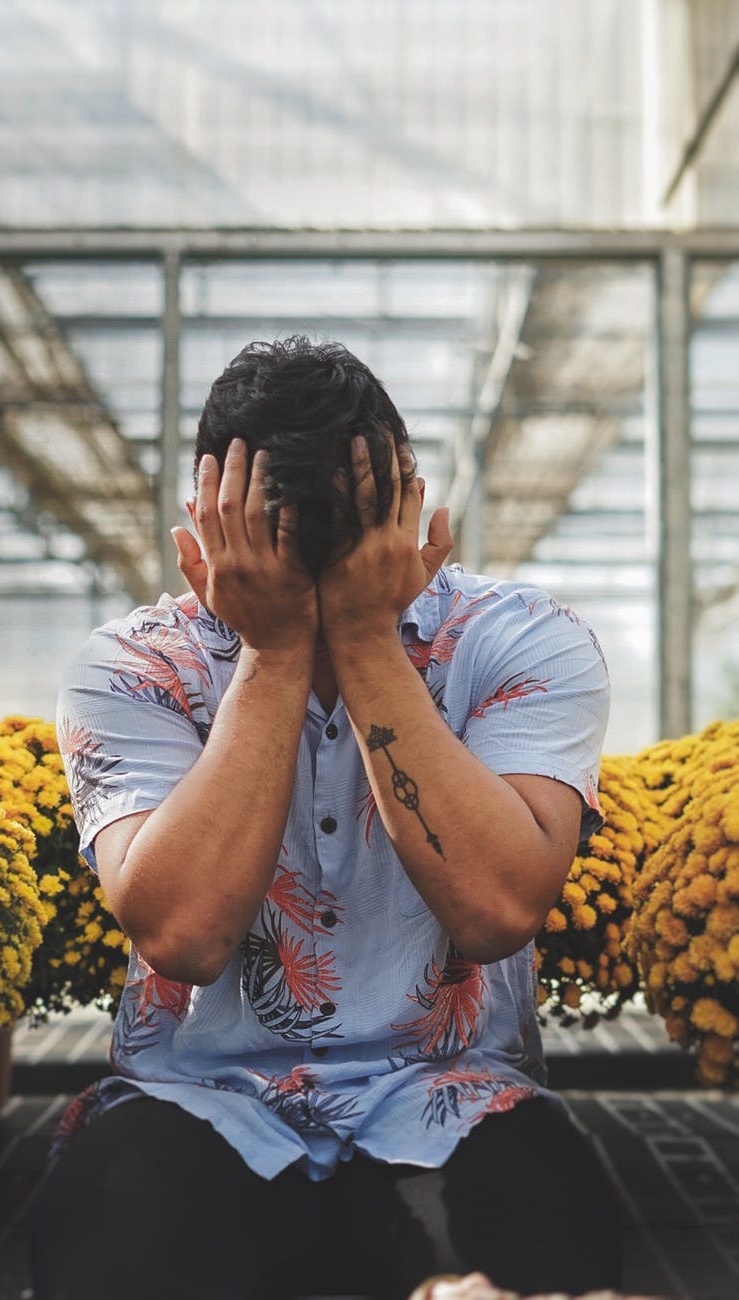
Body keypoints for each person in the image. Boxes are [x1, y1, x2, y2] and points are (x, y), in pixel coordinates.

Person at [34, 337, 622, 1300]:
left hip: (454, 1097)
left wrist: (360, 636)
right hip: (199, 1099)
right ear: (207, 521)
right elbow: (182, 936)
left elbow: (496, 910)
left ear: (409, 506)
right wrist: (272, 652)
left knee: (545, 1264)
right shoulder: (130, 665)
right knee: (105, 1259)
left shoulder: (524, 640)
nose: (311, 568)